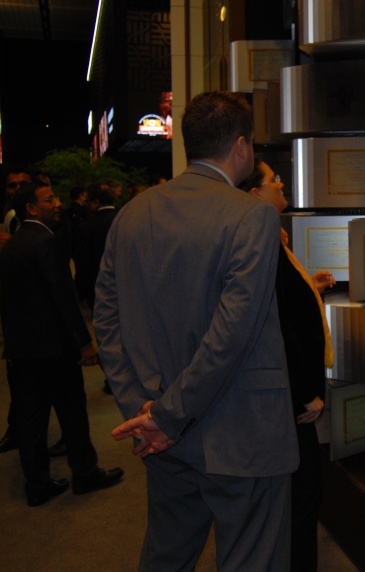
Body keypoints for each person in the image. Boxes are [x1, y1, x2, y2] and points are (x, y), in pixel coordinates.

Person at [95, 92, 298, 572]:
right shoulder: (252, 216)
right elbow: (233, 333)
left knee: (167, 556)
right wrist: (167, 416)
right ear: (241, 146)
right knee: (252, 559)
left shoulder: (132, 214)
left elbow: (107, 320)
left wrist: (144, 411)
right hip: (241, 434)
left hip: (160, 432)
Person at [0, 182, 124, 506]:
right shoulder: (47, 243)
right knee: (72, 412)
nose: (56, 204)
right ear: (31, 208)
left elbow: (6, 302)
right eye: (48, 199)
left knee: (31, 416)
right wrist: (83, 343)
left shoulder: (13, 244)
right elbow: (63, 297)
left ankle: (37, 483)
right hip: (54, 347)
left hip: (23, 349)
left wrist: (10, 343)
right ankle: (85, 472)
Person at [246, 160, 335, 572]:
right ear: (255, 195)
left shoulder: (272, 240)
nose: (281, 184)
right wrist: (307, 394)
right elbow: (281, 326)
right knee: (303, 493)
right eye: (273, 180)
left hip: (288, 395)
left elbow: (287, 303)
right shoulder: (264, 243)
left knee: (300, 494)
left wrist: (310, 287)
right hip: (290, 398)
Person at [0, 167, 36, 457]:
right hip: (15, 314)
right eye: (11, 185)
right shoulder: (9, 216)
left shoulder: (42, 219)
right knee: (21, 382)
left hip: (36, 318)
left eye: (22, 184)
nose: (16, 189)